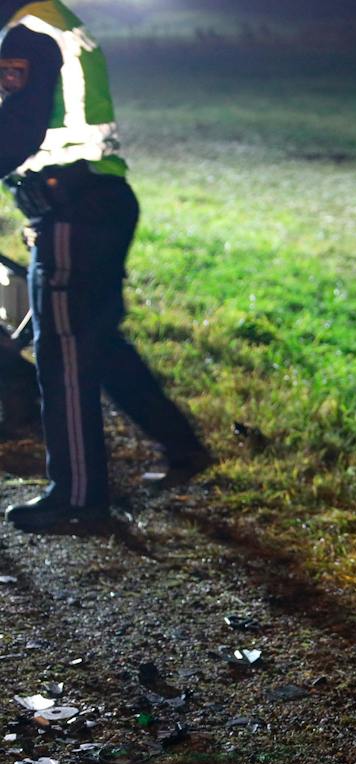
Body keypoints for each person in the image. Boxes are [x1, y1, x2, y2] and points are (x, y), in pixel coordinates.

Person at [0, 0, 209, 533]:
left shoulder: (26, 37)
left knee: (61, 355)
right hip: (94, 200)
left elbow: (17, 132)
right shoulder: (50, 21)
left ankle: (78, 497)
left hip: (74, 207)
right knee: (99, 344)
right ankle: (182, 446)